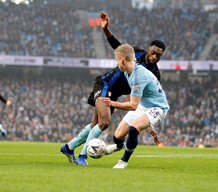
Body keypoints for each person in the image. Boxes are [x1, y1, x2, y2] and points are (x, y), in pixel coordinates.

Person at [60, 11, 166, 166]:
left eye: (159, 55)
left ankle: (68, 148)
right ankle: (83, 156)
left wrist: (149, 124)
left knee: (95, 125)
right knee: (104, 123)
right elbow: (117, 45)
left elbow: (145, 101)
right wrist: (105, 29)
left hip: (113, 94)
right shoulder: (135, 52)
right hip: (105, 85)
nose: (155, 57)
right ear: (149, 49)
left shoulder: (153, 74)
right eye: (154, 52)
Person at [102, 44, 169, 169]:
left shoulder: (139, 76)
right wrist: (149, 124)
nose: (117, 63)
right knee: (117, 136)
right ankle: (119, 145)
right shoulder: (129, 72)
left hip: (158, 107)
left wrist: (112, 103)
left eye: (117, 60)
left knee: (133, 129)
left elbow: (133, 105)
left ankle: (123, 161)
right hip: (143, 105)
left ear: (122, 60)